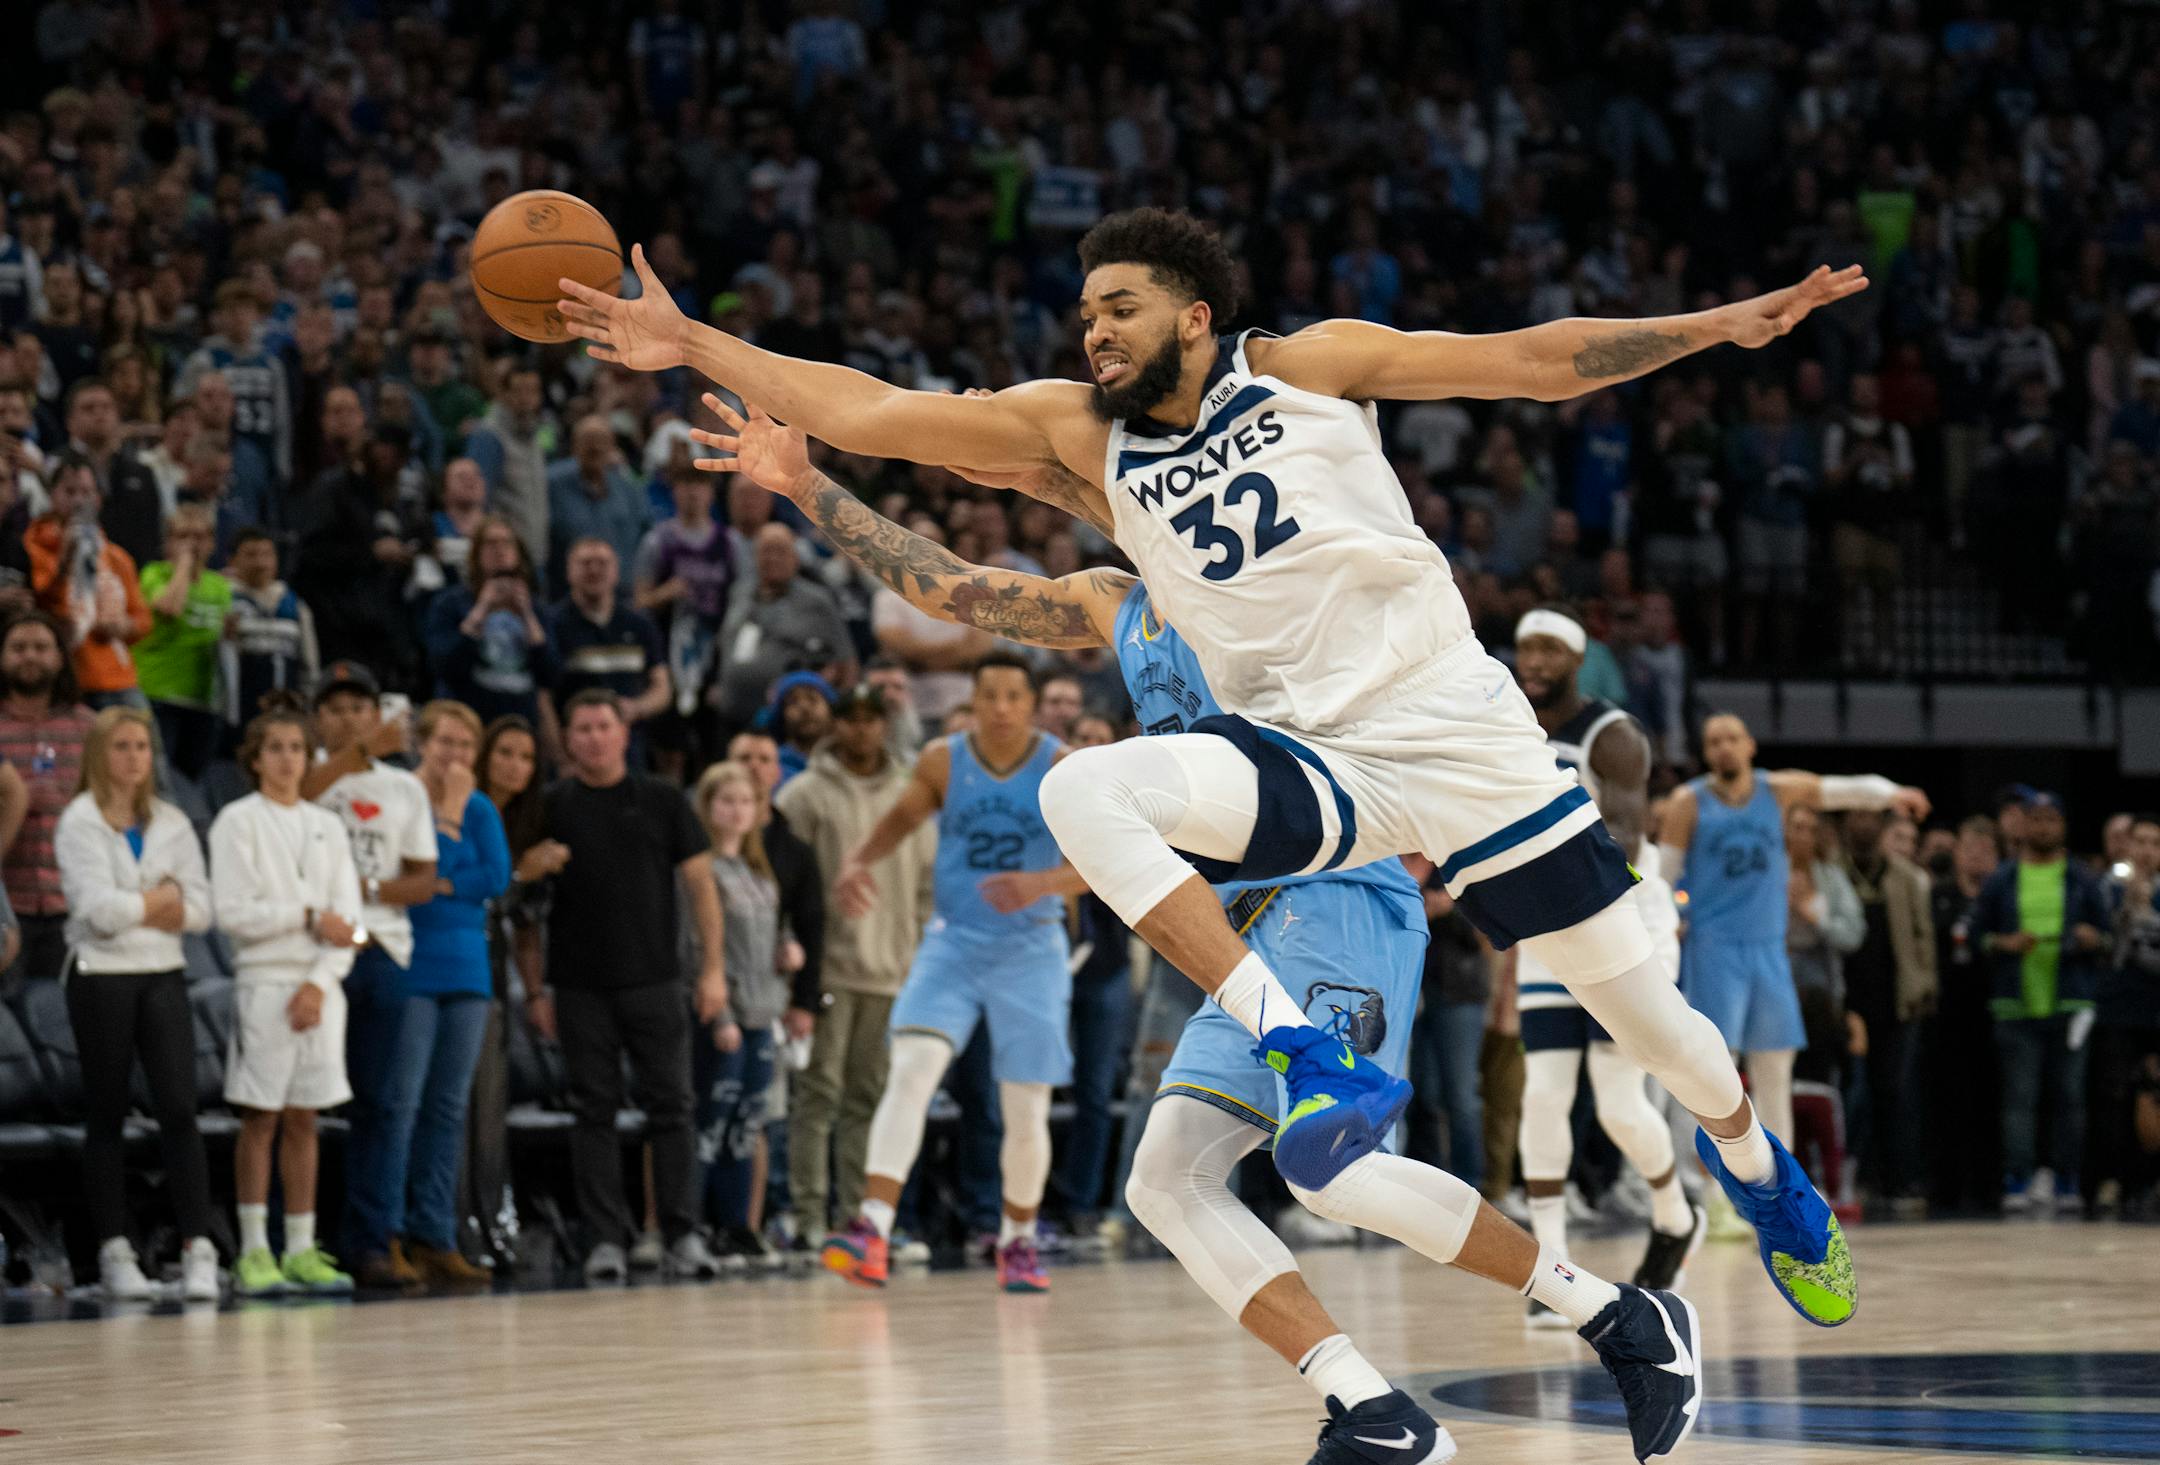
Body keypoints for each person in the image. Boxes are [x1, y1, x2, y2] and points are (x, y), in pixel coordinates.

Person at [586, 205, 1877, 1454]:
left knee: (1645, 1017)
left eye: (1120, 307)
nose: (1090, 330)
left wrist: (1727, 327)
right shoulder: (1093, 490)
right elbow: (879, 422)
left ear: (1195, 316)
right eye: (1082, 310)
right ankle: (1330, 1154)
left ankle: (1760, 1172)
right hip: (1316, 775)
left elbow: (1532, 363)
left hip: (1455, 736)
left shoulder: (1305, 370)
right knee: (1085, 793)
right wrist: (695, 349)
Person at [698, 414, 1708, 1453]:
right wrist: (809, 485)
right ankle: (1373, 1408)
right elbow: (953, 583)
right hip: (1236, 935)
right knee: (1164, 1178)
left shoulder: (1274, 576)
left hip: (1336, 892)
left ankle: (1623, 1317)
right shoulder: (1113, 600)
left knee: (1332, 1170)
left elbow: (1080, 470)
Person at [817, 653, 1070, 1294]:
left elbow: (1110, 859)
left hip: (1032, 948)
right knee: (911, 1072)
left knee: (1025, 1107)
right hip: (953, 944)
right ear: (974, 701)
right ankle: (872, 1226)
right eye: (990, 695)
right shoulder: (941, 760)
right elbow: (899, 821)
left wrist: (1043, 882)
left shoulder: (1061, 766)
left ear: (1032, 703)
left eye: (1015, 695)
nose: (1003, 707)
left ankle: (1017, 1239)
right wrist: (856, 862)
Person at [1660, 713, 1925, 1238]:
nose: (1723, 748)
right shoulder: (1688, 803)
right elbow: (1663, 879)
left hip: (1769, 953)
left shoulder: (1777, 791)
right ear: (1705, 752)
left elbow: (1842, 789)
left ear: (1750, 744)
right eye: (1712, 741)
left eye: (1732, 737)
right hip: (1715, 952)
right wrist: (1670, 923)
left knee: (1776, 1078)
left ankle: (1777, 1194)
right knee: (1713, 1078)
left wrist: (1895, 792)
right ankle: (1712, 1194)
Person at [1508, 608, 1699, 1321]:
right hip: (1544, 919)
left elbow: (1617, 841)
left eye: (1549, 647)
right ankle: (1553, 1268)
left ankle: (1674, 1212)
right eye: (1525, 645)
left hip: (1621, 916)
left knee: (1619, 1104)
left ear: (1577, 658)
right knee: (1543, 1093)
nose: (1534, 658)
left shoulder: (1611, 735)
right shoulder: (1507, 726)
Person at [537, 690, 725, 1283]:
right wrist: (536, 989)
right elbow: (526, 904)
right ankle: (605, 1239)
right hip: (578, 984)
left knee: (672, 1107)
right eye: (582, 728)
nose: (593, 737)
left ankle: (680, 1233)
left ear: (624, 734)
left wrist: (713, 969)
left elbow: (701, 890)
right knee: (593, 1111)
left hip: (656, 979)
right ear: (567, 739)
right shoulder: (552, 805)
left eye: (603, 726)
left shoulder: (663, 800)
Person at [53, 706, 218, 1301]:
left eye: (142, 747)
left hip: (163, 973)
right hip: (100, 975)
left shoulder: (172, 821)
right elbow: (97, 912)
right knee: (108, 1108)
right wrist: (161, 900)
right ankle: (114, 1250)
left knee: (179, 1106)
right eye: (121, 746)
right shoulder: (78, 821)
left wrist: (143, 904)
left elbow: (200, 910)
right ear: (100, 754)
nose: (133, 757)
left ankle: (198, 1247)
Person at [208, 695, 366, 1297]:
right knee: (261, 1117)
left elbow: (348, 924)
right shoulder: (237, 821)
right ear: (256, 759)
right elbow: (233, 914)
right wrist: (305, 915)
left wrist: (319, 982)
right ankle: (253, 1250)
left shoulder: (326, 826)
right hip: (264, 982)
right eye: (275, 748)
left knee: (307, 1118)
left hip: (319, 990)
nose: (287, 760)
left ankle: (301, 1247)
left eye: (297, 749)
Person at [771, 684, 934, 1251]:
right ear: (835, 725)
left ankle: (857, 1220)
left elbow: (925, 886)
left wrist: (920, 955)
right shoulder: (803, 795)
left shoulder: (912, 794)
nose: (862, 729)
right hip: (828, 971)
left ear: (886, 725)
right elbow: (782, 886)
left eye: (872, 719)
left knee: (870, 1100)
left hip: (894, 971)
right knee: (818, 1097)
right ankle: (810, 1216)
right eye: (851, 719)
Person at [307, 661, 441, 1289]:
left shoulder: (405, 788)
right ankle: (293, 1240)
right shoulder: (300, 770)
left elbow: (421, 881)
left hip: (383, 948)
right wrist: (358, 752)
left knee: (383, 1104)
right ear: (317, 719)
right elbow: (297, 795)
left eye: (359, 706)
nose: (347, 717)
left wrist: (359, 887)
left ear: (375, 711)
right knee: (297, 1102)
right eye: (333, 708)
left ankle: (372, 1238)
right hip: (308, 949)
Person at [377, 701, 510, 1288]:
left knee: (450, 1108)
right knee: (400, 1103)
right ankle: (387, 1233)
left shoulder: (481, 806)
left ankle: (437, 1233)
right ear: (422, 744)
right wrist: (449, 824)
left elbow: (496, 877)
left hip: (468, 968)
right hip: (410, 960)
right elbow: (413, 881)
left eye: (466, 746)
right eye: (446, 743)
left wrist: (445, 875)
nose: (455, 756)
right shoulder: (399, 797)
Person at [1971, 790, 2110, 1215]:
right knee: (2019, 1099)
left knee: (2070, 1097)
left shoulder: (2083, 878)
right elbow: (1978, 936)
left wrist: (2093, 938)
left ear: (2062, 826)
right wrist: (2004, 942)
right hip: (2016, 1007)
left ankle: (2066, 1179)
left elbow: (2108, 937)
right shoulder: (2003, 879)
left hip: (2070, 1005)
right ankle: (2019, 1179)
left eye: (2052, 819)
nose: (2044, 827)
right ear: (2023, 825)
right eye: (2037, 819)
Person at [465, 715, 567, 1267]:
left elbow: (526, 926)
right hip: (457, 966)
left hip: (496, 977)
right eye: (504, 753)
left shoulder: (526, 824)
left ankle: (491, 1222)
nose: (515, 767)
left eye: (527, 758)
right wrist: (521, 873)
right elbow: (476, 893)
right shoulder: (462, 812)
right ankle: (456, 1225)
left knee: (489, 1109)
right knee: (457, 1106)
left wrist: (535, 994)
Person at [686, 760, 794, 1267]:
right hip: (723, 1015)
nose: (736, 810)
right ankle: (695, 1223)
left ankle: (738, 1226)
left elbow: (773, 930)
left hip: (762, 1013)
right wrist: (721, 1012)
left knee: (749, 1126)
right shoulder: (699, 870)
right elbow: (696, 945)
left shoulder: (757, 870)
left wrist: (788, 948)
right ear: (707, 808)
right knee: (712, 1123)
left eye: (746, 801)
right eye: (725, 801)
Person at [1836, 805, 1937, 1215]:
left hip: (1896, 1001)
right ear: (1847, 826)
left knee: (1896, 1093)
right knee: (1851, 1096)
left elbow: (1922, 936)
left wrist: (1926, 985)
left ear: (1880, 827)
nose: (1863, 825)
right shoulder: (1834, 872)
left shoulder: (1906, 877)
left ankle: (1899, 1180)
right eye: (1856, 819)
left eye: (1871, 819)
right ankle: (1853, 1178)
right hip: (1846, 1004)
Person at [0, 611, 91, 991]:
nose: (30, 656)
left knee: (66, 1031)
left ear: (60, 657)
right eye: (18, 648)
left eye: (41, 647)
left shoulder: (90, 727)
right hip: (6, 908)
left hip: (70, 907)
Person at [25, 454, 149, 708]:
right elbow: (42, 603)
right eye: (70, 491)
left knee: (147, 746)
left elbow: (143, 618)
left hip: (119, 678)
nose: (79, 500)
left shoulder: (117, 557)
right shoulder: (33, 546)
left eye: (86, 492)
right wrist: (65, 560)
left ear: (98, 499)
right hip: (66, 679)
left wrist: (123, 626)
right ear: (52, 496)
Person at [1927, 815, 2006, 1214]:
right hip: (1946, 1012)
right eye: (1970, 847)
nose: (1977, 856)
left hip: (1994, 1009)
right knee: (1946, 1100)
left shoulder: (2002, 897)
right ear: (1956, 853)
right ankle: (1945, 1189)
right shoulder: (1938, 894)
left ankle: (1989, 1189)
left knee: (1989, 1101)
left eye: (1986, 849)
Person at [424, 513, 558, 735]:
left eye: (507, 543)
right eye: (490, 543)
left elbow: (550, 674)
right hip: (466, 722)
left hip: (519, 722)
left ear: (518, 553)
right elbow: (444, 666)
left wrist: (527, 617)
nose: (499, 550)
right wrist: (481, 611)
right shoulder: (450, 603)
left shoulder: (537, 609)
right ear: (476, 554)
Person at [714, 522, 855, 730]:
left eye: (780, 551)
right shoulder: (739, 593)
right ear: (754, 557)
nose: (772, 558)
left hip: (788, 723)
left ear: (796, 558)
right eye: (766, 551)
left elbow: (846, 662)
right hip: (731, 716)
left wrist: (838, 714)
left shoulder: (816, 601)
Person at [135, 503, 231, 780]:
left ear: (212, 542)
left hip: (203, 701)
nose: (191, 544)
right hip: (158, 695)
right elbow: (169, 608)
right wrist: (185, 566)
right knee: (158, 779)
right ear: (168, 543)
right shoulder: (154, 574)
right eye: (182, 536)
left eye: (199, 537)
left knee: (192, 781)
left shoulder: (220, 586)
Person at [2094, 813, 2160, 1217]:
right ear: (2128, 846)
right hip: (2118, 1009)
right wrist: (2131, 913)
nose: (2148, 851)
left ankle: (2152, 1180)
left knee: (2154, 1097)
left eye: (2155, 843)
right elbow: (2110, 953)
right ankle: (2117, 1180)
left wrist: (2143, 921)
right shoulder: (2108, 888)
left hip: (2156, 1012)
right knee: (2114, 1097)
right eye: (2141, 842)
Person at [547, 538, 669, 745]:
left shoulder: (639, 623)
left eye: (602, 563)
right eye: (585, 563)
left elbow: (663, 688)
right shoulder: (553, 623)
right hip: (575, 748)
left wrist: (637, 708)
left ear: (616, 571)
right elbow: (544, 697)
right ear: (568, 571)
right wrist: (559, 754)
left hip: (630, 747)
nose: (594, 570)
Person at [218, 529, 320, 753]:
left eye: (267, 554)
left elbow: (309, 664)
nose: (260, 563)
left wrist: (309, 708)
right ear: (233, 560)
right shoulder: (222, 600)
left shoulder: (294, 605)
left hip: (286, 713)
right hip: (237, 717)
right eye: (251, 555)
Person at [768, 669, 834, 782]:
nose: (805, 708)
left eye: (812, 699)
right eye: (793, 701)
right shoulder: (771, 767)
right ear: (781, 715)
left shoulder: (848, 763)